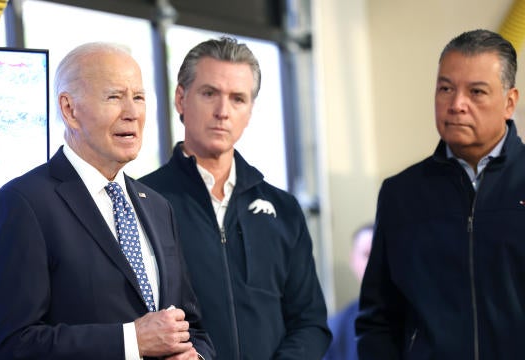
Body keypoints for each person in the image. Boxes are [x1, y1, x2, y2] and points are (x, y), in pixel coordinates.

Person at [0, 42, 214, 360]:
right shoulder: (22, 204)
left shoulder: (158, 207)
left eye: (139, 97)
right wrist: (131, 341)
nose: (132, 113)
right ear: (70, 110)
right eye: (114, 97)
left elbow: (192, 328)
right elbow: (12, 346)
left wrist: (196, 356)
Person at [139, 36, 331, 359]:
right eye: (209, 93)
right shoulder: (143, 203)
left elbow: (311, 324)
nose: (222, 111)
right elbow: (134, 321)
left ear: (250, 111)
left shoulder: (284, 210)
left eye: (238, 98)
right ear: (181, 99)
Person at [356, 29, 525, 359]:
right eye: (446, 89)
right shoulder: (400, 194)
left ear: (509, 102)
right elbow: (378, 320)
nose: (457, 104)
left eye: (476, 92)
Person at [323, 223, 373, 360]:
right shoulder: (336, 329)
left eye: (380, 254)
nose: (374, 263)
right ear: (353, 260)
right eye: (367, 255)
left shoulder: (417, 318)